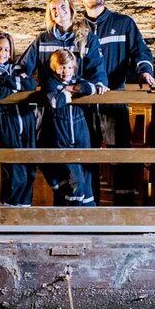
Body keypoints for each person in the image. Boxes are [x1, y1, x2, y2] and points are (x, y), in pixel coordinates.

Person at [17, 0, 108, 203]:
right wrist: (19, 76)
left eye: (62, 6)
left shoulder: (85, 37)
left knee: (83, 165)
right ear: (50, 14)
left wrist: (96, 85)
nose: (59, 11)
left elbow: (97, 70)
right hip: (52, 112)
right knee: (59, 163)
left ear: (71, 8)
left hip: (80, 113)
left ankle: (86, 214)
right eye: (54, 9)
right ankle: (63, 214)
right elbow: (24, 66)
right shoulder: (43, 39)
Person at [78, 0, 155, 203]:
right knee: (86, 154)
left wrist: (145, 71)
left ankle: (124, 207)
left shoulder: (123, 23)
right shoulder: (76, 29)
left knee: (120, 153)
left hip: (114, 99)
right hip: (85, 102)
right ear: (82, 0)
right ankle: (89, 206)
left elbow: (140, 51)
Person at [0, 33, 38, 206]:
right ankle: (8, 209)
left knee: (30, 168)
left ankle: (24, 209)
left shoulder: (17, 69)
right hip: (7, 121)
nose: (2, 53)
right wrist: (16, 85)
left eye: (6, 49)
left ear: (11, 51)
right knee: (14, 170)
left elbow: (31, 85)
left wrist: (6, 81)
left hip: (26, 119)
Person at [45, 49, 99, 206]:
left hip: (81, 132)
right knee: (75, 179)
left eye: (69, 67)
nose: (65, 72)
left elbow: (91, 88)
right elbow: (55, 102)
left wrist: (69, 89)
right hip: (61, 133)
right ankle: (72, 216)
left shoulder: (78, 80)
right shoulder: (51, 83)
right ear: (54, 67)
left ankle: (87, 216)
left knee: (86, 175)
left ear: (74, 68)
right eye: (62, 67)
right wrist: (72, 93)